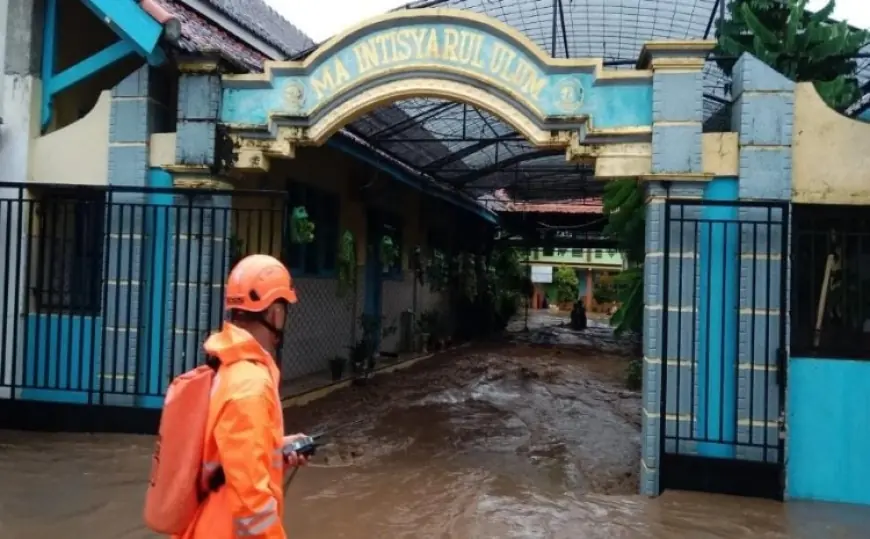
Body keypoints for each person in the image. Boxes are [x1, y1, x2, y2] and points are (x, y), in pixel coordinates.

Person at [175, 254, 309, 539]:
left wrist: (277, 450)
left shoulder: (225, 367)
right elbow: (252, 505)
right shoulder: (250, 386)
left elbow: (229, 457)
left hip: (210, 520)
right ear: (274, 312)